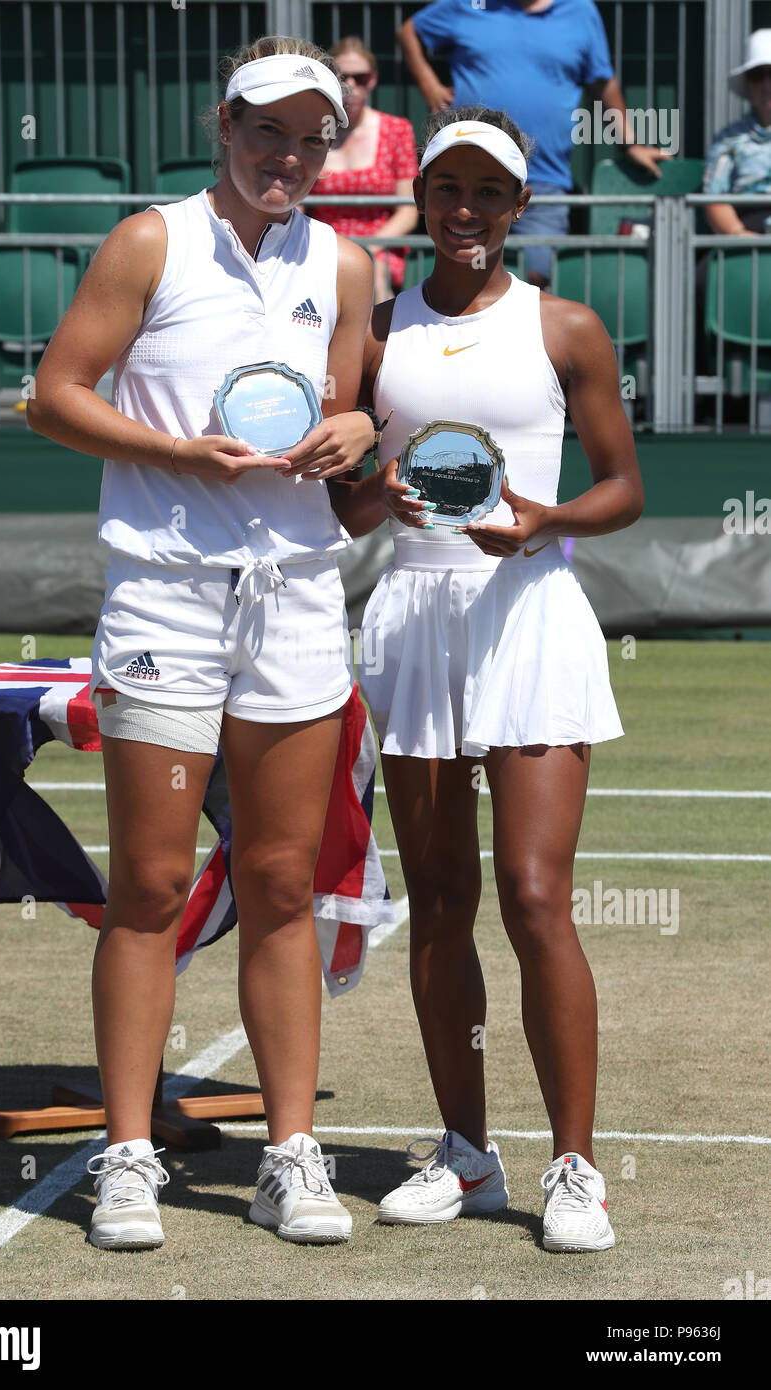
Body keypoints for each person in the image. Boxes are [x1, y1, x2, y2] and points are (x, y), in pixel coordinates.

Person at [27, 35, 377, 1250]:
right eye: (267, 129)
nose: (288, 154)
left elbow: (347, 412)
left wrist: (350, 432)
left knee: (284, 882)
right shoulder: (149, 238)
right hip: (166, 595)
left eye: (311, 134)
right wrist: (176, 451)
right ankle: (127, 1155)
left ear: (332, 142)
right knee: (154, 886)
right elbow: (54, 391)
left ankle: (290, 1153)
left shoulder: (346, 262)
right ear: (224, 125)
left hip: (294, 599)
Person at [327, 107, 643, 1251]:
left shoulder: (568, 328)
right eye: (447, 190)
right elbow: (344, 501)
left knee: (534, 895)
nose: (464, 211)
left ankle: (575, 1168)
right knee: (443, 903)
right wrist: (383, 499)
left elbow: (625, 487)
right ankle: (467, 1155)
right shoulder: (375, 337)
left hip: (530, 609)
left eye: (488, 193)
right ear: (429, 198)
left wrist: (548, 519)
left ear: (519, 206)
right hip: (411, 613)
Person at [398, 0, 672, 286]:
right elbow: (410, 31)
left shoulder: (579, 11)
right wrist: (430, 85)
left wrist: (630, 144)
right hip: (466, 179)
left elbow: (603, 83)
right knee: (461, 268)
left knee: (536, 273)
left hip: (543, 179)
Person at [308, 37, 419, 301]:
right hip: (323, 242)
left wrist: (370, 245)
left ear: (373, 80)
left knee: (371, 269)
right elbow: (298, 205)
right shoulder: (313, 131)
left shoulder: (396, 129)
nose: (351, 85)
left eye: (361, 78)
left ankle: (375, 339)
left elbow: (408, 210)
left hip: (381, 242)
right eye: (342, 76)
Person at [703, 31, 771, 236]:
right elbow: (714, 198)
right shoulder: (728, 139)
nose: (767, 85)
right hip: (745, 231)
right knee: (701, 269)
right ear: (748, 84)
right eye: (757, 75)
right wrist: (741, 236)